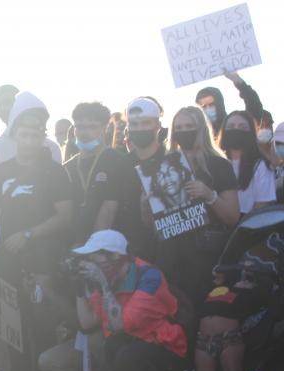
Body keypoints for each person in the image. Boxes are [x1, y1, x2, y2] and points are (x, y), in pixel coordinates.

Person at [0, 103, 74, 371]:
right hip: (6, 257)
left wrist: (29, 235)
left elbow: (65, 216)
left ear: (43, 138)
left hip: (42, 257)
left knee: (41, 321)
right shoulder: (1, 170)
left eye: (36, 135)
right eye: (24, 134)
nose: (30, 140)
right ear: (15, 136)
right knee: (13, 322)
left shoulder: (53, 171)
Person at [133, 100, 240, 309]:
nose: (184, 132)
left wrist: (209, 195)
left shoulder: (218, 165)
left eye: (189, 127)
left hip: (204, 258)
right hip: (170, 257)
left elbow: (232, 216)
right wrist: (145, 206)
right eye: (179, 128)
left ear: (201, 129)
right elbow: (151, 224)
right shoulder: (160, 165)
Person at [72, 230, 187, 371]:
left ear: (115, 256)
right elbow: (88, 322)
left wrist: (103, 284)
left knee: (129, 354)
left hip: (162, 347)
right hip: (124, 349)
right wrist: (77, 288)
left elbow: (120, 325)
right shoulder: (107, 279)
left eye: (96, 255)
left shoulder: (149, 276)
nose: (90, 261)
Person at [64, 102, 138, 245]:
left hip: (108, 246)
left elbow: (109, 209)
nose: (85, 132)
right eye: (80, 126)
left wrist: (93, 249)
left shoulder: (118, 161)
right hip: (74, 245)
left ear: (104, 128)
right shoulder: (68, 166)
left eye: (92, 127)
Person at [0, 90, 63, 209]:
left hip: (45, 225)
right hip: (5, 226)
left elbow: (59, 196)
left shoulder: (52, 148)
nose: (4, 108)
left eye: (8, 102)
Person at [220, 111, 276, 216]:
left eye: (242, 127)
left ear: (251, 132)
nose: (236, 130)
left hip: (247, 224)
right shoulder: (215, 162)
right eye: (231, 126)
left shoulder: (261, 165)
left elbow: (261, 206)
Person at [196, 70, 263, 140]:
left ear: (219, 105)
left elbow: (254, 109)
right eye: (203, 106)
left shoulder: (232, 127)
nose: (208, 109)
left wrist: (240, 83)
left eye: (211, 105)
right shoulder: (195, 136)